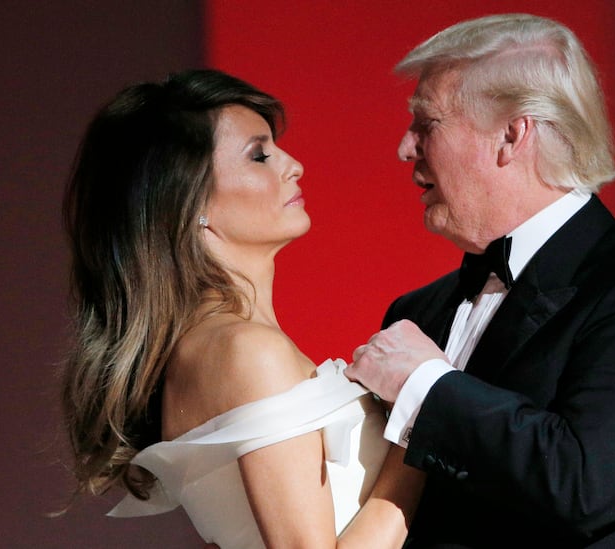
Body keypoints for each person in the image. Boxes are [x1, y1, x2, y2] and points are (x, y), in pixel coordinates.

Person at [346, 13, 615, 548]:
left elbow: (587, 482)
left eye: (426, 123)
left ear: (512, 134)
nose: (404, 148)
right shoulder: (418, 313)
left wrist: (425, 385)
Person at [60, 68, 422, 549]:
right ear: (189, 206)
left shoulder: (211, 348)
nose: (293, 165)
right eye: (259, 155)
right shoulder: (245, 351)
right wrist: (418, 439)